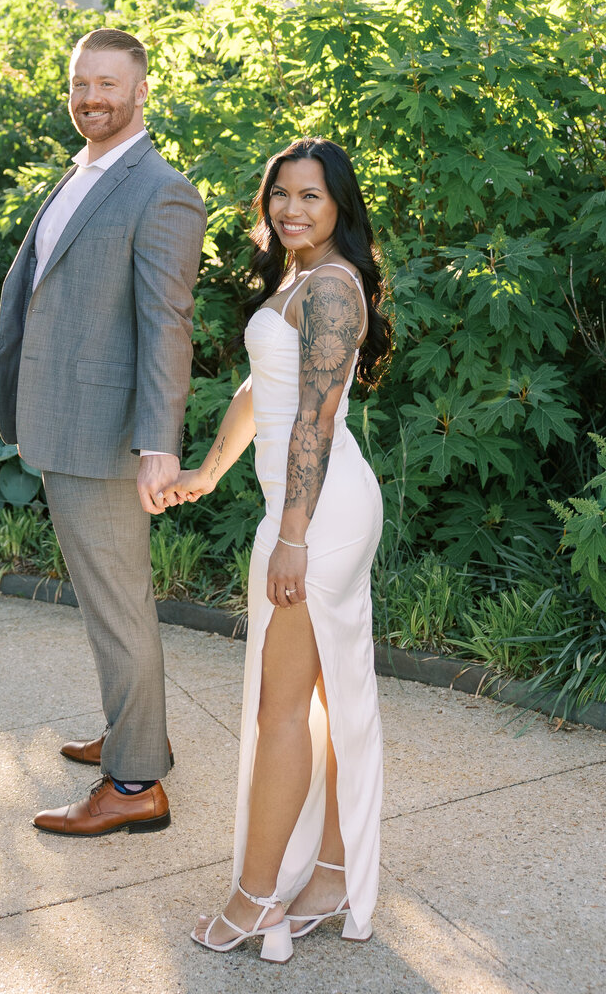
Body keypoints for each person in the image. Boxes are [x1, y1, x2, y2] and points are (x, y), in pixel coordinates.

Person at [170, 137, 391, 962]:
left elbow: (315, 420)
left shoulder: (332, 290)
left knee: (282, 710)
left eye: (312, 197)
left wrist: (291, 536)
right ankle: (329, 877)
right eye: (281, 196)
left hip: (320, 516)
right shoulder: (297, 280)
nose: (291, 210)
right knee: (320, 703)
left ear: (340, 207)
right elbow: (260, 392)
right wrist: (206, 473)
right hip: (299, 508)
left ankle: (256, 896)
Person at [0, 26, 206, 837]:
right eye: (81, 83)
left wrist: (160, 443)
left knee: (118, 605)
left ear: (142, 91)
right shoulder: (86, 172)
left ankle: (134, 785)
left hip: (107, 434)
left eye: (109, 85)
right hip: (66, 423)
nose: (92, 98)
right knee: (105, 599)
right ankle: (133, 732)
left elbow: (167, 327)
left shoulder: (161, 190)